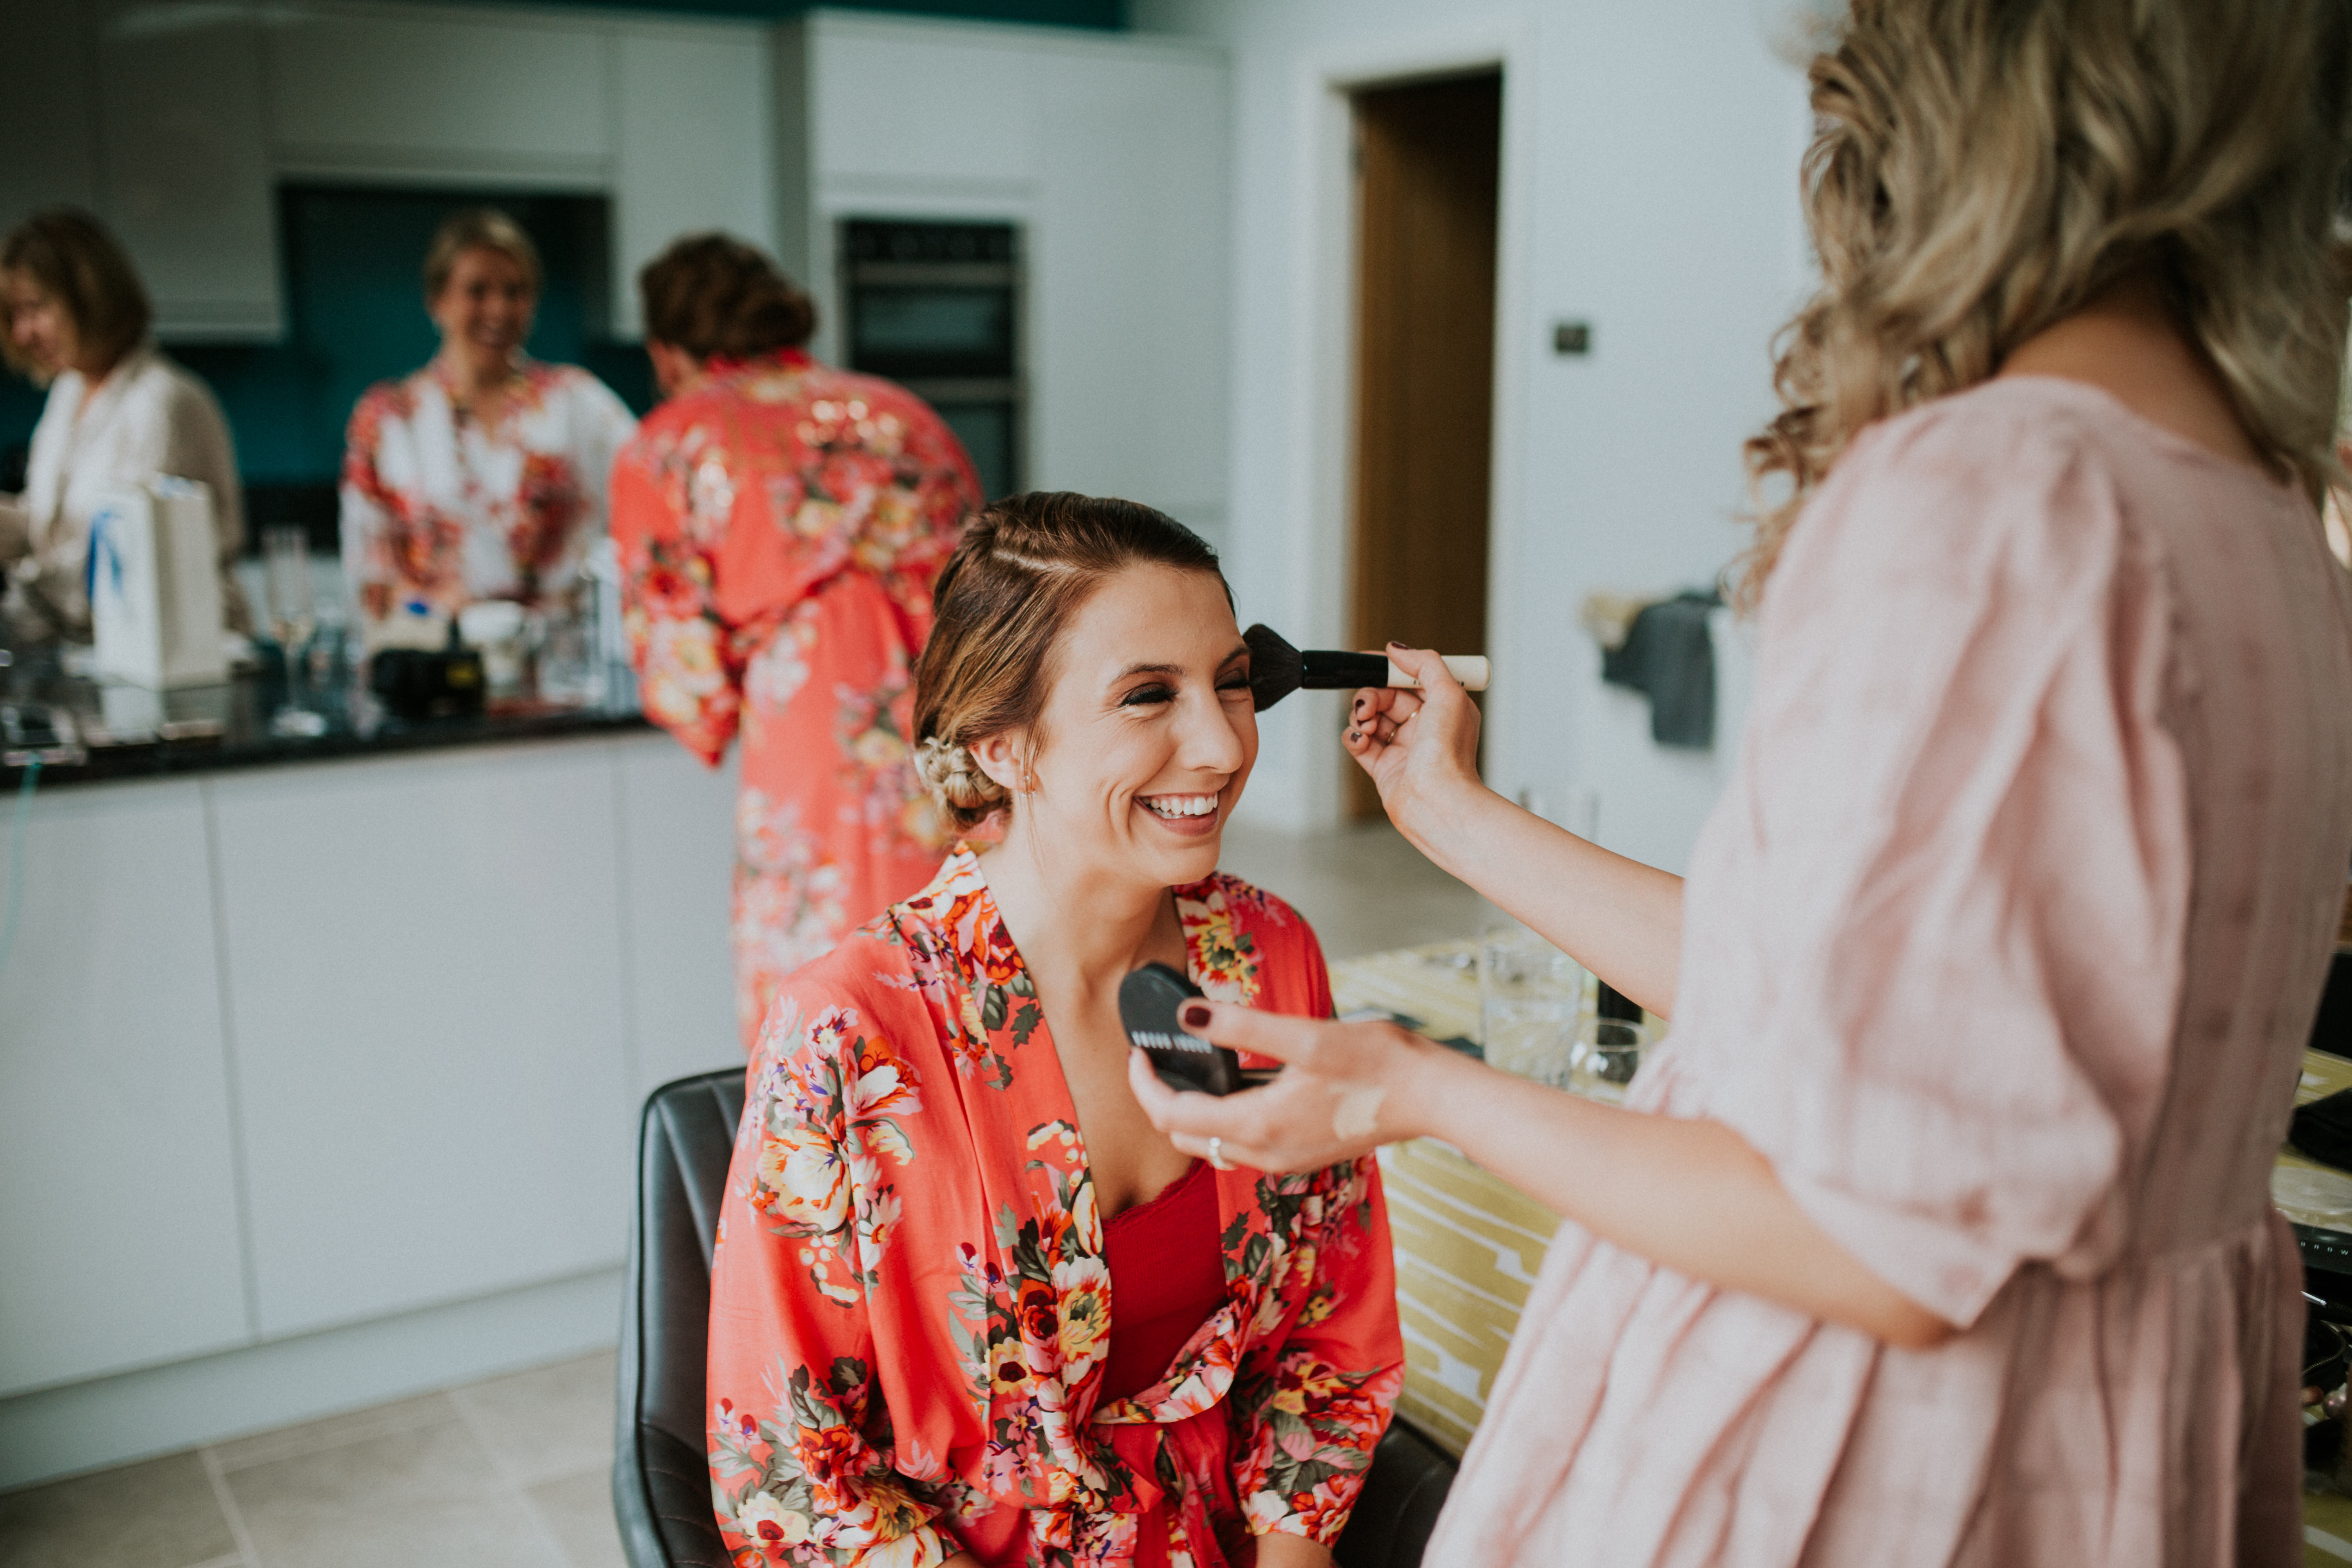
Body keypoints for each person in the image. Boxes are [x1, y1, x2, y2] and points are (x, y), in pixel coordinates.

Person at [1134, 2, 2352, 1564]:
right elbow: (1837, 1009)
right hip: (2120, 1440)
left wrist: (1411, 1084)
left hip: (1872, 1463)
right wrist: (1455, 817)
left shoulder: (1994, 497)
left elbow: (1883, 1240)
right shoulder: (2270, 527)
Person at [703, 493, 1403, 1568]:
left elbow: (1326, 1333)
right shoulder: (850, 1028)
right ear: (1004, 747)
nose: (1220, 745)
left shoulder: (1268, 957)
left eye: (1231, 683)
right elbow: (792, 1475)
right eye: (1147, 697)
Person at [609, 233, 980, 1050]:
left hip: (814, 735)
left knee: (827, 1000)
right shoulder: (902, 415)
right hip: (963, 724)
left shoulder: (669, 443)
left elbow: (686, 672)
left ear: (668, 352)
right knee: (962, 976)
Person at [339, 207, 635, 638]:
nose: (499, 309)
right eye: (477, 291)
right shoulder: (389, 417)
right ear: (437, 301)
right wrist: (433, 607)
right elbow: (370, 579)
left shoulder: (576, 401)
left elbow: (650, 482)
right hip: (440, 657)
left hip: (563, 658)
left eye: (515, 292)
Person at [0, 208, 247, 644]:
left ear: (92, 297)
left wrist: (17, 581)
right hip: (96, 650)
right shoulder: (68, 394)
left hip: (179, 653)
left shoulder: (160, 403)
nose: (22, 333)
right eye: (14, 314)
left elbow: (125, 561)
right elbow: (51, 525)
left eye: (36, 308)